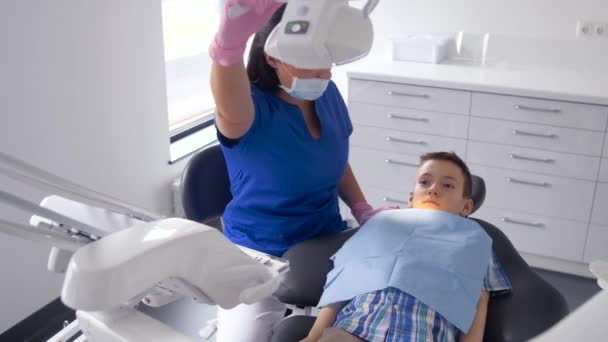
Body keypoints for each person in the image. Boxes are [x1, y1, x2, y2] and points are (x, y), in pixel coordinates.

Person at [208, 1, 391, 341]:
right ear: (272, 57)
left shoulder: (328, 94)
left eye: (328, 64)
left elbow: (334, 160)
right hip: (259, 250)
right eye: (311, 64)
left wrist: (362, 209)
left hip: (324, 238)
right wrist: (227, 49)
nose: (325, 74)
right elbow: (228, 103)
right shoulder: (249, 110)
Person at [301, 152, 512, 342]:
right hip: (354, 330)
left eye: (447, 185)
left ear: (466, 206)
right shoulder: (382, 225)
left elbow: (478, 303)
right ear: (411, 199)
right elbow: (344, 285)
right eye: (424, 182)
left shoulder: (473, 241)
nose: (433, 190)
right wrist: (314, 336)